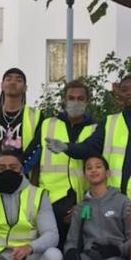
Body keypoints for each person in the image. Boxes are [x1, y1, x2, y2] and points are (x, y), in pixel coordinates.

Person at [60, 155, 131, 260]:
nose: (93, 170)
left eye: (98, 166)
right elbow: (72, 239)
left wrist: (118, 250)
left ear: (107, 173)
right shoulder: (81, 206)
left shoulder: (122, 202)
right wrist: (70, 251)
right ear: (85, 175)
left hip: (115, 259)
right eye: (89, 168)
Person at [34, 79, 99, 246]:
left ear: (87, 101)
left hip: (83, 203)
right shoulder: (47, 124)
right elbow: (32, 160)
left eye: (80, 98)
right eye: (71, 98)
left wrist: (84, 207)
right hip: (49, 201)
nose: (75, 102)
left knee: (79, 246)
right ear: (63, 100)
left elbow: (99, 174)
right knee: (51, 247)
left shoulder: (96, 128)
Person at [0, 67, 42, 175]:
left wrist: (34, 181)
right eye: (8, 79)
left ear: (25, 88)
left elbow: (40, 151)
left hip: (24, 180)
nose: (13, 82)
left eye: (18, 80)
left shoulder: (36, 116)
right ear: (2, 85)